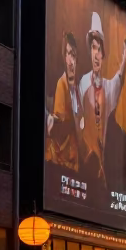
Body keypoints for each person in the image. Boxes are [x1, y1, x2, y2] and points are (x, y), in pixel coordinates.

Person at [77, 12, 126, 189]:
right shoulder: (83, 82)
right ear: (89, 51)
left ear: (103, 54)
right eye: (93, 48)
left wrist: (125, 56)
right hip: (85, 159)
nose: (96, 54)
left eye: (99, 49)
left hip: (101, 164)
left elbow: (119, 79)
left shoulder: (107, 87)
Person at [45, 31, 82, 171]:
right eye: (68, 54)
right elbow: (59, 122)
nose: (71, 61)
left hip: (75, 156)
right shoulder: (62, 84)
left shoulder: (79, 87)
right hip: (61, 157)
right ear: (64, 57)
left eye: (73, 55)